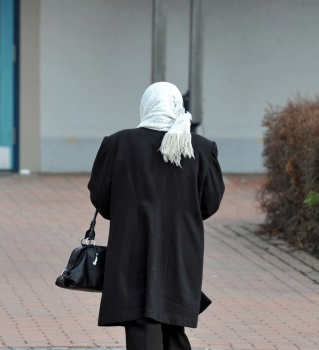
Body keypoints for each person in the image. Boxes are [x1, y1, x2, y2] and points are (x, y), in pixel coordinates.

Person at [88, 82, 225, 350]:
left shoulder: (117, 144)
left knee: (141, 319)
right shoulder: (199, 147)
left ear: (145, 106)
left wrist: (125, 213)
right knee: (172, 317)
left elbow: (101, 195)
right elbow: (210, 202)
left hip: (131, 242)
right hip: (180, 244)